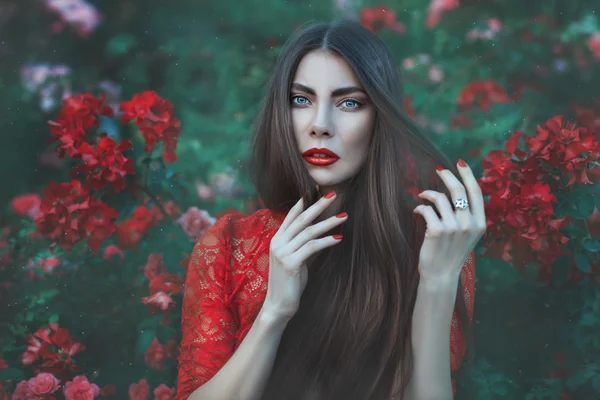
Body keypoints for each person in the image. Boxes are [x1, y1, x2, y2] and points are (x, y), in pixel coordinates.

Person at [176, 19, 485, 400]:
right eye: (301, 100)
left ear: (381, 119)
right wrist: (274, 311)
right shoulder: (227, 246)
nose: (320, 125)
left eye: (349, 103)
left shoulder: (430, 246)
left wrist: (438, 281)